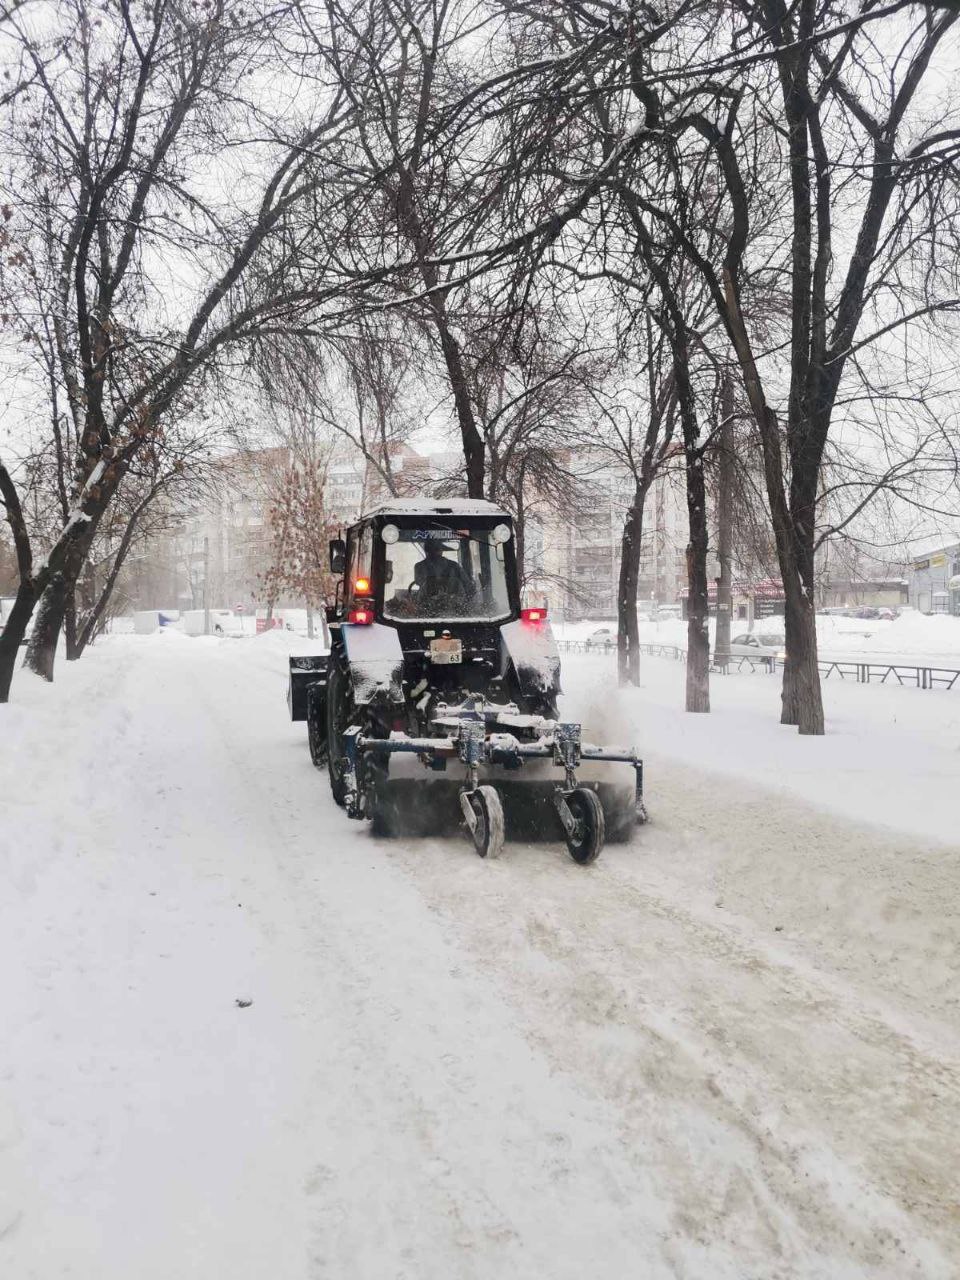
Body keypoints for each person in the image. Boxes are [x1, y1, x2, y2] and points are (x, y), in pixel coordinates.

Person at [413, 539, 474, 611]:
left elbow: (468, 587)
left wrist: (453, 598)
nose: (434, 553)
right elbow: (468, 586)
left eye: (436, 549)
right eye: (431, 550)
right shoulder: (419, 567)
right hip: (430, 608)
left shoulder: (454, 566)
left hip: (453, 609)